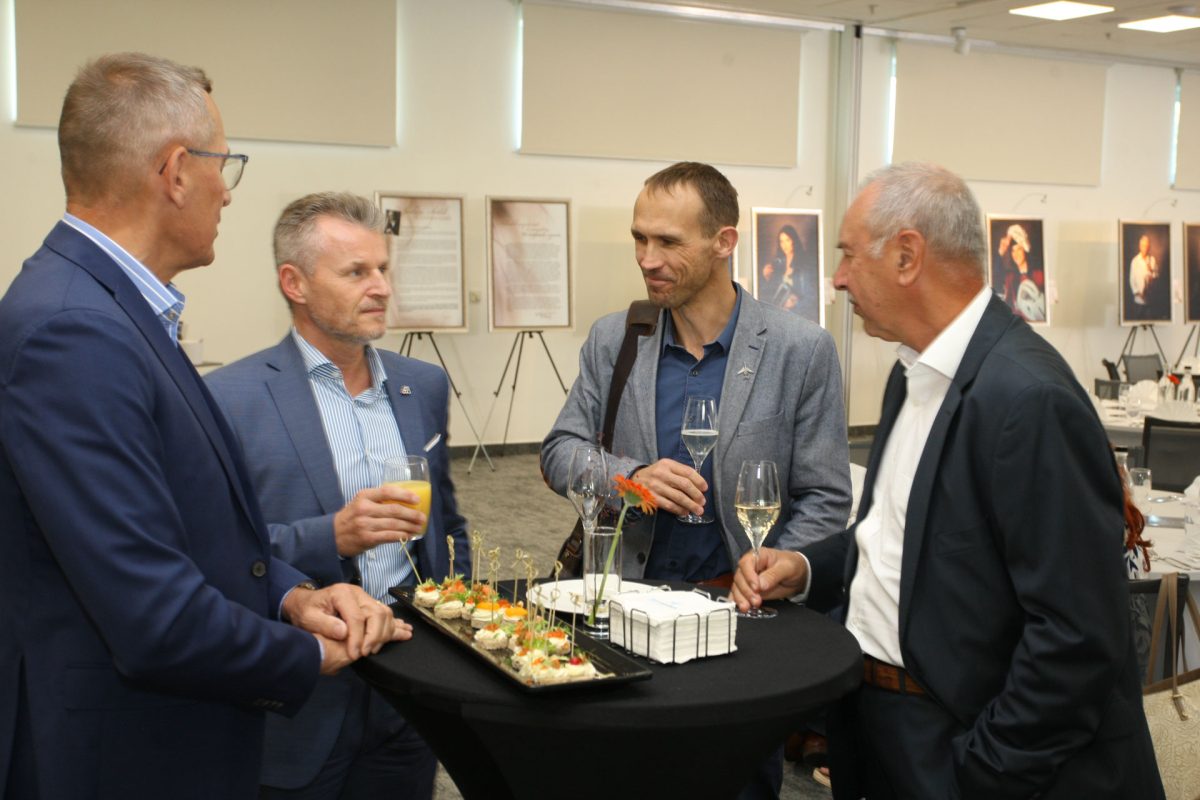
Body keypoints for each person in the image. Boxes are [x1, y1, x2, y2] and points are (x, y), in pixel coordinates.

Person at [0, 53, 405, 799]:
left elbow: (184, 528)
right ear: (177, 171)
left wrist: (291, 596)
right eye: (225, 163)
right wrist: (305, 654)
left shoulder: (109, 306)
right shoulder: (74, 330)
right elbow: (150, 613)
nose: (228, 190)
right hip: (119, 755)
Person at [733, 162, 1164, 799]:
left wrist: (983, 770)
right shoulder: (912, 373)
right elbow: (903, 539)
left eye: (849, 254)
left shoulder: (1028, 398)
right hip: (883, 728)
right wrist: (804, 568)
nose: (838, 277)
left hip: (967, 749)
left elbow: (1078, 637)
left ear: (907, 256)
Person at [206, 192, 469, 799]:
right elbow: (218, 550)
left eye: (383, 269)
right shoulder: (230, 400)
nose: (381, 288)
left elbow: (448, 527)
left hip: (411, 688)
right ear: (294, 283)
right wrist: (333, 536)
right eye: (356, 272)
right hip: (302, 693)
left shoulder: (422, 384)